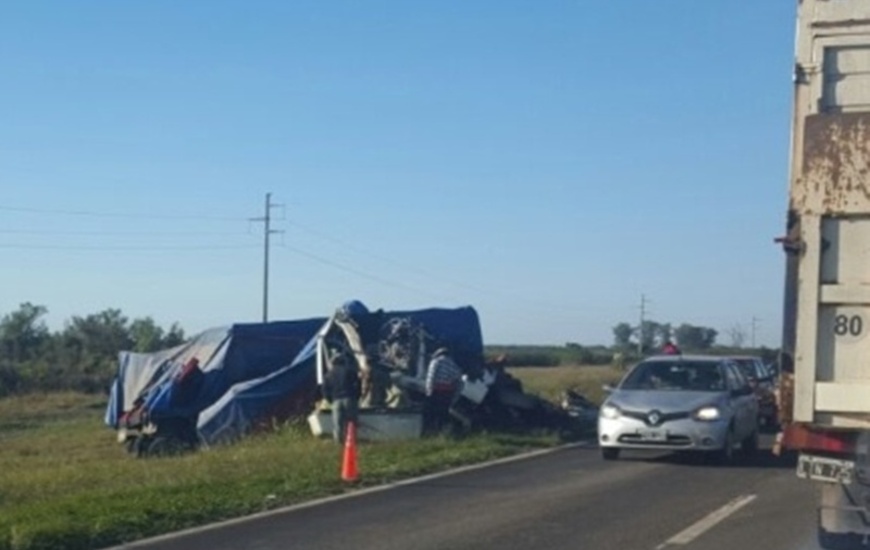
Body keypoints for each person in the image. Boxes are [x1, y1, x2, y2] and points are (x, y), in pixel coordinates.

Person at [322, 349, 362, 444]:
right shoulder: (350, 371)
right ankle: (352, 442)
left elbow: (324, 390)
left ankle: (338, 443)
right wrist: (357, 396)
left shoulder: (328, 375)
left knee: (337, 424)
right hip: (349, 399)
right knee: (351, 422)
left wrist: (330, 400)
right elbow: (357, 384)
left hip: (336, 401)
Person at [423, 347, 464, 435]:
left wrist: (428, 391)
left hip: (436, 391)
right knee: (443, 414)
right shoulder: (454, 365)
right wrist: (455, 397)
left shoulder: (436, 362)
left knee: (432, 413)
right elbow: (460, 382)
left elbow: (430, 377)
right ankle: (441, 433)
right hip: (448, 394)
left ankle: (430, 432)